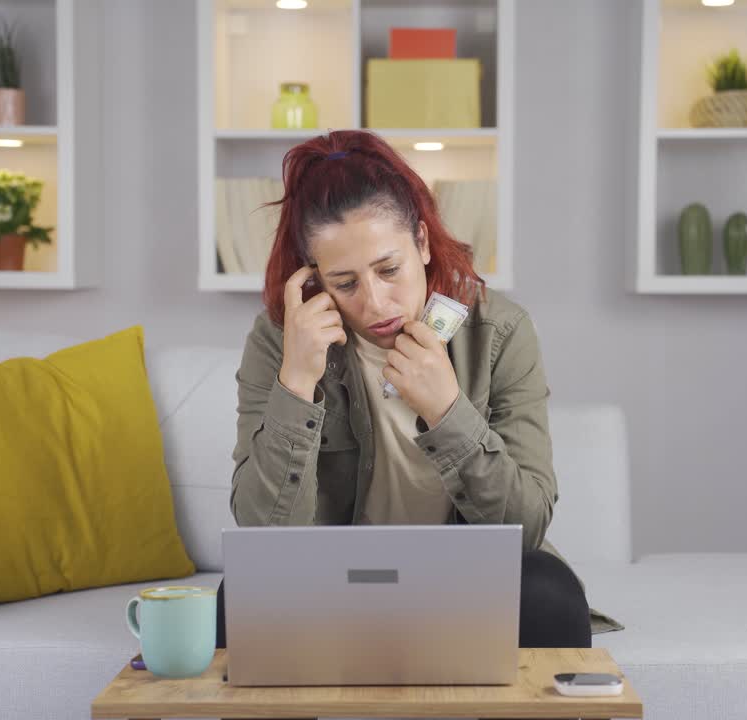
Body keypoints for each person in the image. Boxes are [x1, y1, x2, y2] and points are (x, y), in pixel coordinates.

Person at [217, 129, 604, 651]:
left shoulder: (501, 332)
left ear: (421, 242)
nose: (375, 304)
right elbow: (263, 537)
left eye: (389, 269)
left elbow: (526, 526)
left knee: (549, 593)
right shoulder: (281, 342)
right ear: (314, 280)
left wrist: (446, 411)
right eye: (345, 282)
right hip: (336, 585)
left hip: (466, 581)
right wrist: (297, 383)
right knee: (235, 596)